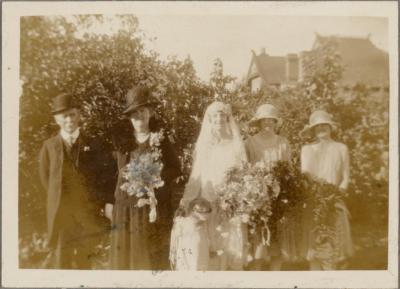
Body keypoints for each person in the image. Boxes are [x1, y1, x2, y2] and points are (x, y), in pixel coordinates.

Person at [108, 85, 181, 270]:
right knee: (125, 258)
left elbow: (175, 168)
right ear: (129, 117)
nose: (138, 117)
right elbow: (110, 174)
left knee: (148, 258)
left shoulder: (161, 140)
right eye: (133, 113)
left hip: (151, 207)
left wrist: (154, 175)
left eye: (142, 111)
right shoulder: (121, 142)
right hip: (125, 207)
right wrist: (109, 202)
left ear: (150, 112)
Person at [38, 93, 113, 269]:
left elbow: (104, 176)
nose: (69, 119)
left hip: (86, 212)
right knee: (61, 260)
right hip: (62, 214)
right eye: (64, 116)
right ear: (57, 119)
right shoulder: (49, 146)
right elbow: (45, 179)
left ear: (79, 115)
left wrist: (97, 203)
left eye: (72, 114)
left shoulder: (94, 144)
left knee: (84, 259)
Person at [179, 101, 248, 270]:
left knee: (231, 243)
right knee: (211, 245)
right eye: (214, 116)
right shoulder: (204, 146)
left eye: (221, 115)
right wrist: (186, 200)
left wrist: (240, 197)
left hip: (231, 201)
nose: (218, 119)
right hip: (208, 201)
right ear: (209, 120)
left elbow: (244, 172)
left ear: (227, 118)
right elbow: (196, 175)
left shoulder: (236, 144)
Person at [245, 104, 298, 270]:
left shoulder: (283, 143)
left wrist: (283, 188)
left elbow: (288, 169)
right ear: (259, 123)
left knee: (278, 235)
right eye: (264, 120)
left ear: (276, 123)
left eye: (271, 120)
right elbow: (244, 169)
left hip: (279, 194)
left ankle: (276, 274)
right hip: (257, 195)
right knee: (259, 235)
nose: (267, 123)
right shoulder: (249, 143)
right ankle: (257, 271)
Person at [300, 110, 353, 270]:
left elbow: (345, 177)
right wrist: (317, 194)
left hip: (335, 200)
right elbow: (306, 175)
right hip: (314, 200)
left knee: (334, 242)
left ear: (330, 127)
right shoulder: (307, 149)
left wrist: (337, 194)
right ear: (313, 130)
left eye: (325, 125)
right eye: (318, 126)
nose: (322, 128)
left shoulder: (341, 148)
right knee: (315, 244)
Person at [169, 197, 212, 271]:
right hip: (185, 256)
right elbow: (174, 240)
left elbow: (207, 242)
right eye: (202, 211)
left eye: (208, 211)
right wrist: (172, 255)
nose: (206, 214)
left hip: (200, 256)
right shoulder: (181, 222)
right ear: (193, 211)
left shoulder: (204, 225)